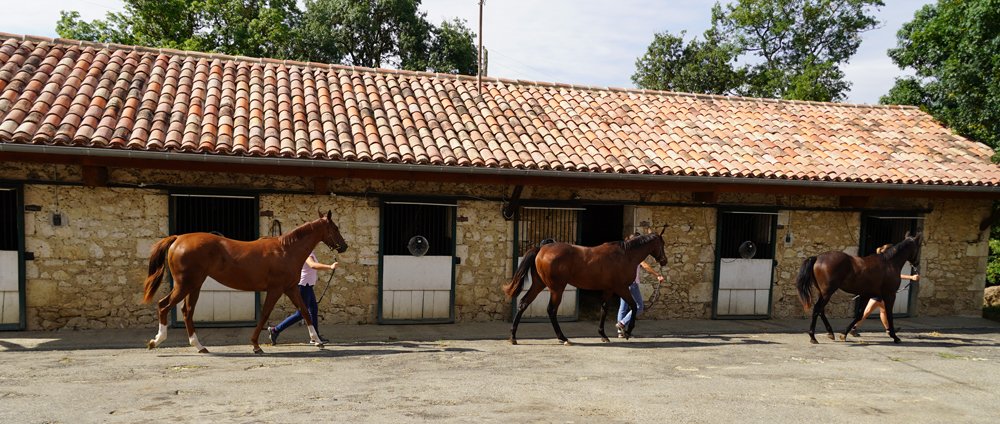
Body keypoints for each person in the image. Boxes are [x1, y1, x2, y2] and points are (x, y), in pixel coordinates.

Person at [268, 251, 337, 345]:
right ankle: (275, 330)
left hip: (308, 286)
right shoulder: (307, 253)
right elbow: (312, 265)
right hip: (303, 286)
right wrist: (330, 266)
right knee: (301, 314)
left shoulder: (309, 252)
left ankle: (315, 337)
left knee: (313, 310)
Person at [850, 244, 919, 336]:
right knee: (868, 312)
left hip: (880, 292)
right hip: (878, 292)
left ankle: (888, 329)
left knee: (882, 311)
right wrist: (911, 277)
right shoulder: (883, 263)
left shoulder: (881, 261)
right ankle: (853, 328)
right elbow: (896, 275)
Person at [617, 232, 665, 338]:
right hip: (632, 284)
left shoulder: (623, 252)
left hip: (622, 284)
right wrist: (657, 275)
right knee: (639, 307)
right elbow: (645, 266)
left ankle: (620, 332)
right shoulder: (635, 254)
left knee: (623, 307)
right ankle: (622, 323)